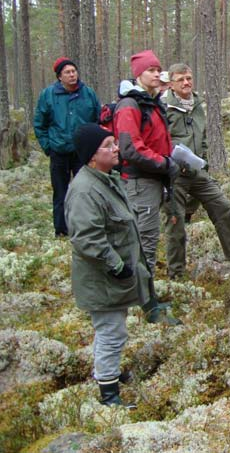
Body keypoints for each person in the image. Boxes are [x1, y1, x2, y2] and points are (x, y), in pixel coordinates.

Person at [65, 123, 151, 408]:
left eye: (115, 143)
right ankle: (108, 394)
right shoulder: (85, 192)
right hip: (103, 278)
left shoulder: (106, 179)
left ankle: (108, 373)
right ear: (92, 156)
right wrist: (117, 265)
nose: (116, 149)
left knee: (114, 329)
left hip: (113, 277)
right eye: (108, 145)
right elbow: (87, 238)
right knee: (111, 332)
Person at [163, 63, 230, 277]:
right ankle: (176, 272)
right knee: (175, 222)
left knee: (223, 205)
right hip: (173, 174)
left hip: (196, 171)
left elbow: (203, 137)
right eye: (181, 79)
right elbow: (159, 140)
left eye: (189, 78)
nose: (186, 82)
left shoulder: (196, 104)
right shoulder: (163, 107)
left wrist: (203, 162)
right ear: (171, 84)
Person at [114, 49, 180, 325]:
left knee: (148, 242)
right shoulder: (131, 105)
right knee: (145, 244)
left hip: (153, 179)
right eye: (151, 70)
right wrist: (164, 163)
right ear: (139, 74)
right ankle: (146, 305)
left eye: (158, 69)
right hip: (140, 182)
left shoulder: (151, 102)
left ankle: (148, 296)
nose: (157, 73)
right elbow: (130, 148)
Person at [33, 57, 100, 237]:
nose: (72, 75)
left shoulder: (88, 93)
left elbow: (97, 119)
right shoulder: (48, 95)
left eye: (74, 71)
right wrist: (48, 147)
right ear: (59, 77)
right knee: (61, 192)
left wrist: (93, 147)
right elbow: (40, 123)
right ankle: (61, 230)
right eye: (67, 72)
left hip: (83, 153)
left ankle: (85, 226)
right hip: (59, 151)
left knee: (85, 191)